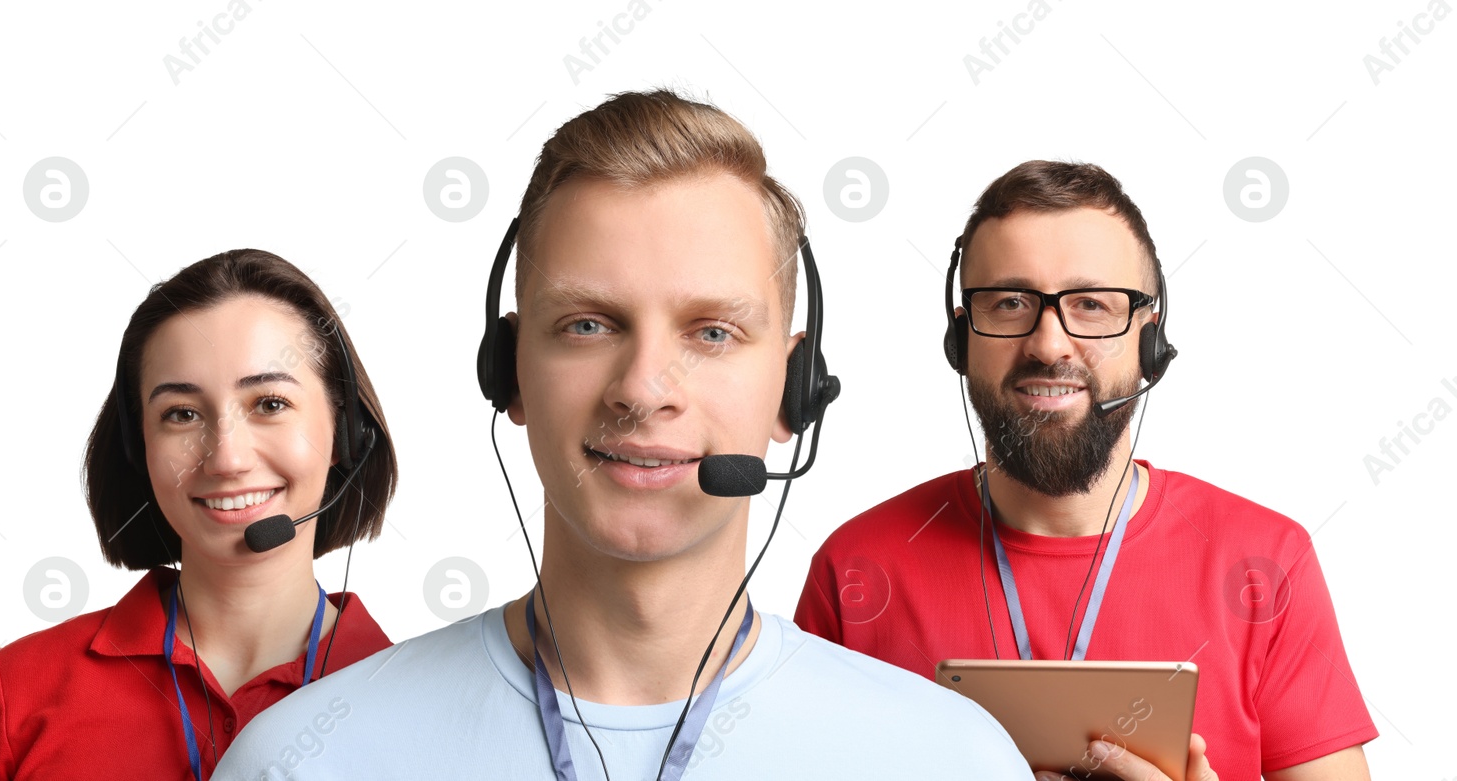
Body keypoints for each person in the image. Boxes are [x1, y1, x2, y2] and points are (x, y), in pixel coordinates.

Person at [212, 89, 1029, 780]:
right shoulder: (300, 761)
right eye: (588, 324)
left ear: (796, 388)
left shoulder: (952, 759)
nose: (643, 388)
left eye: (711, 332)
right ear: (509, 371)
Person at [795, 160, 1377, 780]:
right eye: (1011, 302)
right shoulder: (856, 567)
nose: (1049, 345)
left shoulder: (1266, 560)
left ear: (1149, 343)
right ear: (960, 340)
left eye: (1093, 305)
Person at [0, 250, 399, 779]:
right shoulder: (20, 693)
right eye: (182, 414)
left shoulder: (419, 701)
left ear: (346, 430)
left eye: (269, 403)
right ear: (140, 447)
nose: (227, 458)